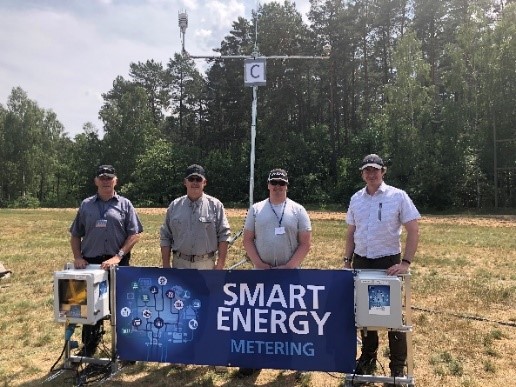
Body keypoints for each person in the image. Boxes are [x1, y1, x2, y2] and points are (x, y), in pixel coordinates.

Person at [343, 154, 420, 385]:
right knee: (364, 315)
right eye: (367, 170)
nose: (371, 173)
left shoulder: (398, 196)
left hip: (388, 264)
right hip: (362, 262)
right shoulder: (356, 198)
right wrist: (347, 260)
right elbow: (351, 233)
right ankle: (367, 359)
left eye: (375, 169)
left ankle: (397, 367)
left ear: (383, 171)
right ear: (362, 173)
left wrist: (405, 263)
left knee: (393, 315)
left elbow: (413, 230)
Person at [237, 168, 312, 377]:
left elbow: (306, 244)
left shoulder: (298, 210)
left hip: (290, 273)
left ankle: (298, 362)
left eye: (282, 183)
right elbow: (247, 239)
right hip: (262, 273)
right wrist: (258, 263)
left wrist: (289, 267)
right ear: (268, 185)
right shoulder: (256, 209)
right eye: (274, 183)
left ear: (287, 186)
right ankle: (255, 360)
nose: (278, 187)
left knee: (292, 319)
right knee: (259, 319)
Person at [70, 164, 143, 357]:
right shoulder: (86, 205)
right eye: (102, 178)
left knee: (122, 306)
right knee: (89, 307)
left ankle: (125, 348)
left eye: (109, 178)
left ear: (115, 181)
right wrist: (78, 257)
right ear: (96, 181)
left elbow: (134, 234)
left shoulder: (125, 204)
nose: (105, 181)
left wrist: (118, 256)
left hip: (117, 264)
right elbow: (75, 234)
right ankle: (90, 345)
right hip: (90, 264)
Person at [160, 164, 231, 270]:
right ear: (185, 182)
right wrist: (166, 265)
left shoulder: (215, 205)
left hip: (206, 264)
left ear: (204, 182)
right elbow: (166, 236)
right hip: (180, 264)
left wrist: (220, 264)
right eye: (191, 179)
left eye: (198, 179)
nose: (195, 182)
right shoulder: (174, 206)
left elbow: (224, 235)